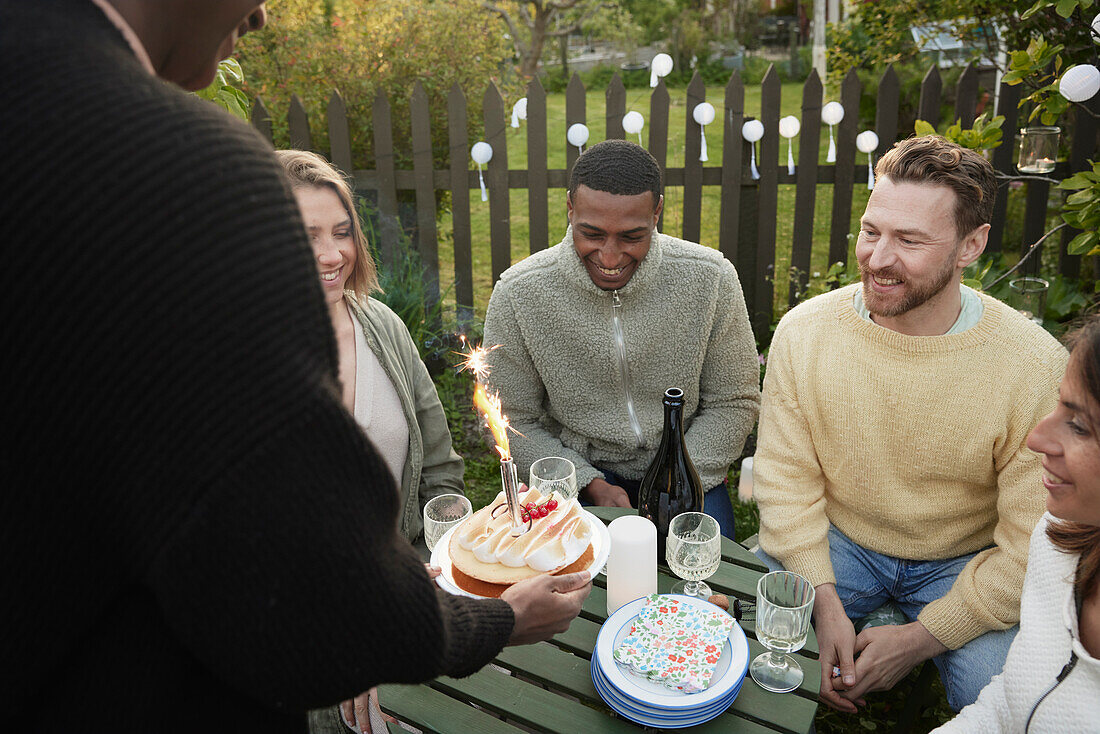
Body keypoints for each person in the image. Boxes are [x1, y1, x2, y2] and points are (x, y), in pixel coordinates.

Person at [0, 2, 590, 732]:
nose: (263, 14)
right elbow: (298, 573)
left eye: (344, 232)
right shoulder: (168, 168)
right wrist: (485, 624)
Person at [752, 135, 1068, 714]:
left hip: (966, 559)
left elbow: (1032, 544)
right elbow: (783, 481)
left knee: (1011, 699)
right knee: (754, 645)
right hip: (840, 537)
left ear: (971, 244)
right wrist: (823, 603)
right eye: (872, 231)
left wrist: (923, 638)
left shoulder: (1034, 366)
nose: (877, 258)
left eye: (910, 240)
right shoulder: (805, 332)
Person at [481, 139, 760, 540]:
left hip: (688, 468)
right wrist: (585, 482)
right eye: (591, 233)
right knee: (580, 597)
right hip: (577, 473)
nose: (610, 258)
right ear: (570, 208)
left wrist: (677, 475)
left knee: (706, 592)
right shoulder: (519, 294)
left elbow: (735, 400)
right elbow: (512, 423)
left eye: (632, 236)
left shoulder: (710, 278)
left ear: (657, 211)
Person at [277, 149, 464, 544]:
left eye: (341, 232)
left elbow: (438, 465)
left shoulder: (384, 326)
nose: (333, 255)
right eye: (306, 236)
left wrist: (445, 552)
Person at [931, 313, 1100, 731]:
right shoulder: (1059, 540)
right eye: (1059, 406)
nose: (1036, 438)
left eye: (1078, 425)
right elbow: (1009, 704)